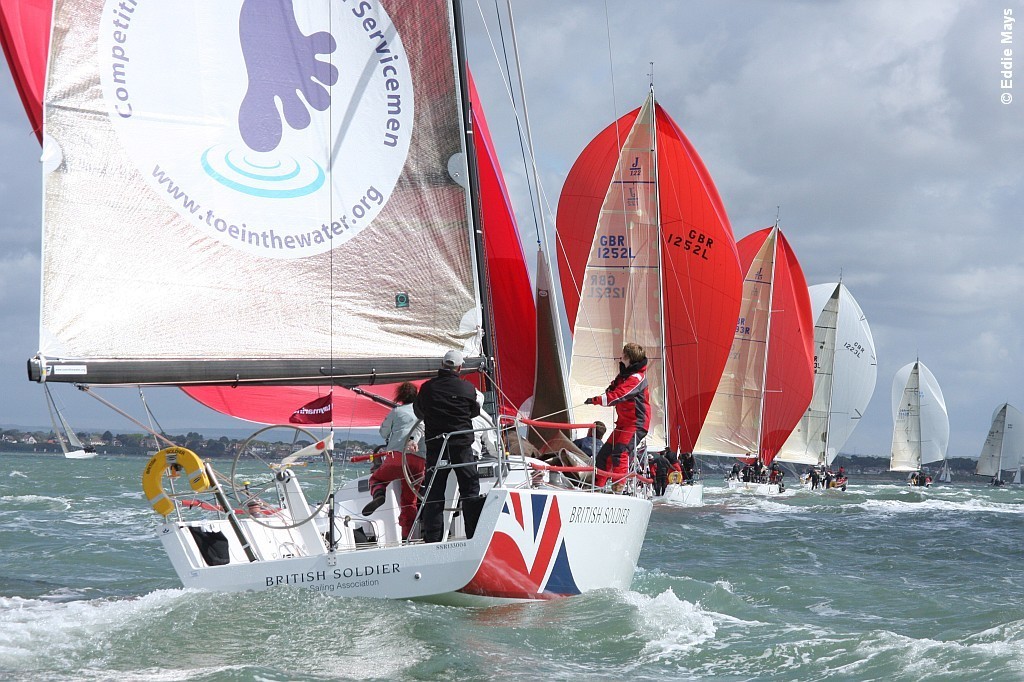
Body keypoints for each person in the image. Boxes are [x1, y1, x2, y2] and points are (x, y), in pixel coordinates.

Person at [414, 350, 482, 543]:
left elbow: (419, 411)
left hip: (437, 447)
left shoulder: (428, 388)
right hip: (461, 447)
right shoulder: (468, 388)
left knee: (434, 492)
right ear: (460, 368)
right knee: (470, 491)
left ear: (442, 365)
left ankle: (433, 540)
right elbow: (474, 412)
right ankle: (474, 536)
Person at [362, 382, 426, 540]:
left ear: (400, 397)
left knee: (377, 478)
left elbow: (384, 432)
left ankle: (379, 494)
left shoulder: (397, 411)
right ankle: (407, 537)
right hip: (419, 461)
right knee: (409, 501)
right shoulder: (425, 413)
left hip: (397, 457)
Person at [585, 343, 651, 491]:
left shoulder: (637, 378)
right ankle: (596, 488)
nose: (621, 357)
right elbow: (614, 389)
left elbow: (620, 395)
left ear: (628, 357)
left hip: (636, 424)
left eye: (623, 354)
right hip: (623, 424)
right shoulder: (624, 376)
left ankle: (618, 489)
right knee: (604, 456)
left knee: (620, 452)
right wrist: (609, 390)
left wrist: (595, 400)